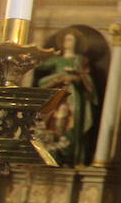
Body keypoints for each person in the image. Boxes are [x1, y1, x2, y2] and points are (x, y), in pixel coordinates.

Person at [33, 29, 100, 166]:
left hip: (73, 97)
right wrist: (60, 77)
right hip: (57, 95)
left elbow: (87, 80)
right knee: (51, 119)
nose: (67, 43)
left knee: (70, 123)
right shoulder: (57, 60)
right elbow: (38, 67)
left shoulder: (81, 60)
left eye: (71, 40)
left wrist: (76, 78)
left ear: (77, 43)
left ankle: (67, 153)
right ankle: (49, 149)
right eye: (66, 40)